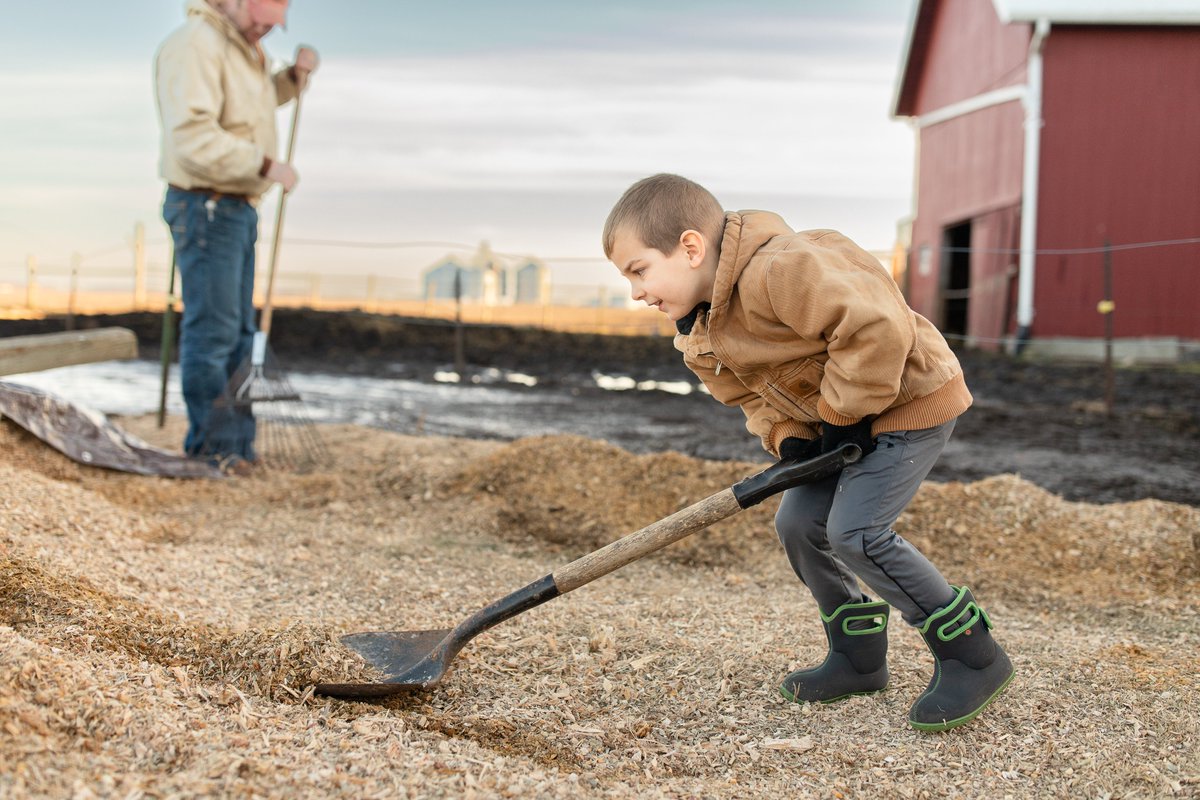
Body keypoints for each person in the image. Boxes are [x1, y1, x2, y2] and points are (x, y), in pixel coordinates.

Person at [603, 173, 1014, 732]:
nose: (635, 291)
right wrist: (789, 438)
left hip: (909, 404)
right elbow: (751, 396)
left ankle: (973, 655)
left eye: (639, 270)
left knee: (858, 533)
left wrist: (841, 415)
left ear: (691, 247)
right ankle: (858, 657)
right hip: (839, 424)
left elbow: (875, 330)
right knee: (799, 523)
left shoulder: (783, 269)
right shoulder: (700, 335)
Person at [154, 0, 317, 473]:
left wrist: (291, 81)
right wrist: (266, 165)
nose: (268, 28)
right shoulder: (195, 46)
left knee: (241, 334)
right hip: (206, 205)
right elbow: (193, 136)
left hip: (237, 207)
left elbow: (251, 104)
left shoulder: (242, 48)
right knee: (215, 333)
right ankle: (213, 451)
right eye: (261, 16)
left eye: (275, 20)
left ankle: (237, 448)